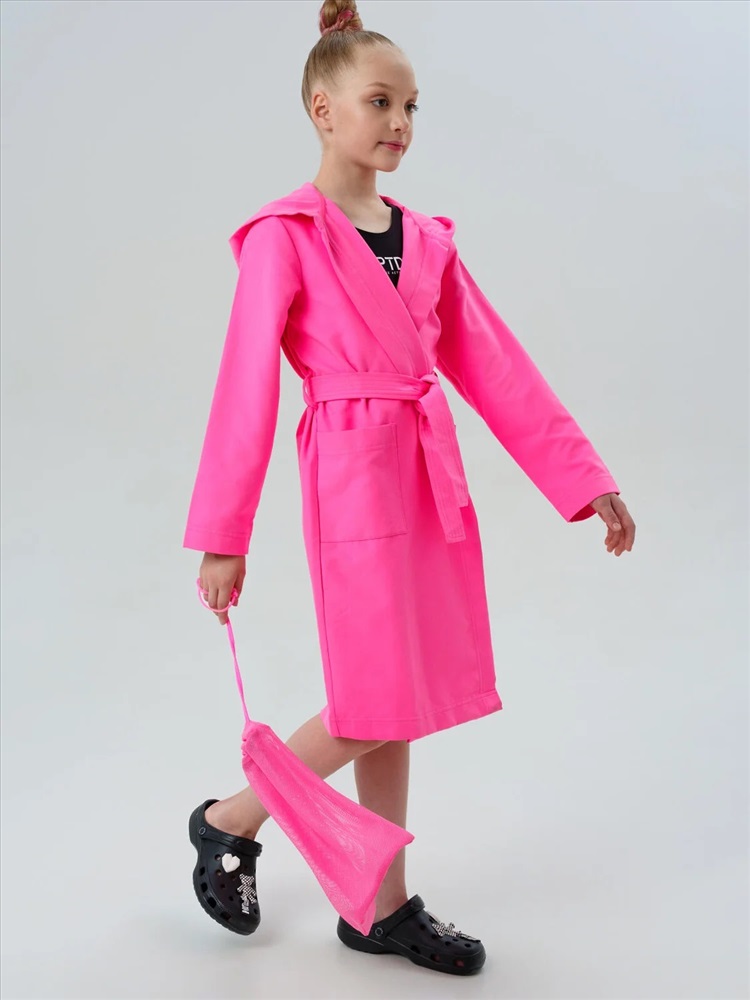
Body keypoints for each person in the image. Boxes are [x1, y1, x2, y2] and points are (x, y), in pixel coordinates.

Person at [183, 0, 636, 977]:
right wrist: (224, 532)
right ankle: (232, 818)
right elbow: (245, 384)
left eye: (412, 105)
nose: (399, 122)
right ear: (322, 109)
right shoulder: (285, 235)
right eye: (379, 101)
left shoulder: (426, 238)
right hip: (350, 474)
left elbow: (496, 367)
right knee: (371, 696)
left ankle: (378, 908)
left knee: (399, 693)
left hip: (427, 477)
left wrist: (583, 478)